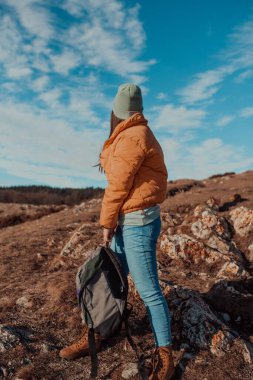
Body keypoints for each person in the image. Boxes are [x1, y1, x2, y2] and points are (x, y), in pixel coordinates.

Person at [60, 83, 174, 380]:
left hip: (136, 223)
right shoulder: (130, 134)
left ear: (117, 111)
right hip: (129, 219)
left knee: (148, 291)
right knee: (111, 281)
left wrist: (106, 223)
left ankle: (165, 355)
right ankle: (98, 333)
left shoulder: (133, 137)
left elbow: (118, 186)